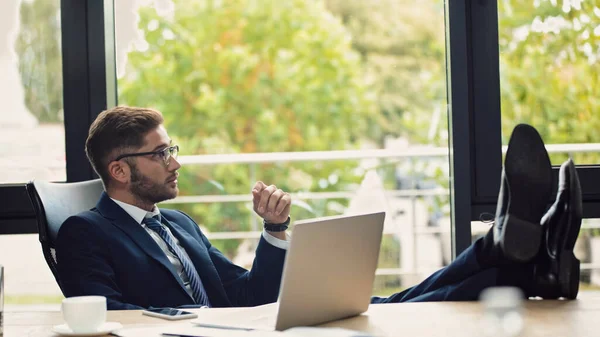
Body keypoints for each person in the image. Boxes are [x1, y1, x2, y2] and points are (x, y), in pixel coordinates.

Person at [56, 106, 582, 310]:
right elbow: (104, 320)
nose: (174, 163)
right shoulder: (87, 232)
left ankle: (526, 263)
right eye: (160, 153)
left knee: (394, 301)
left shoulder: (178, 224)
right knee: (393, 307)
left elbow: (246, 293)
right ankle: (519, 252)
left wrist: (275, 229)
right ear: (120, 170)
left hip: (249, 325)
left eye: (173, 149)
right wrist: (196, 322)